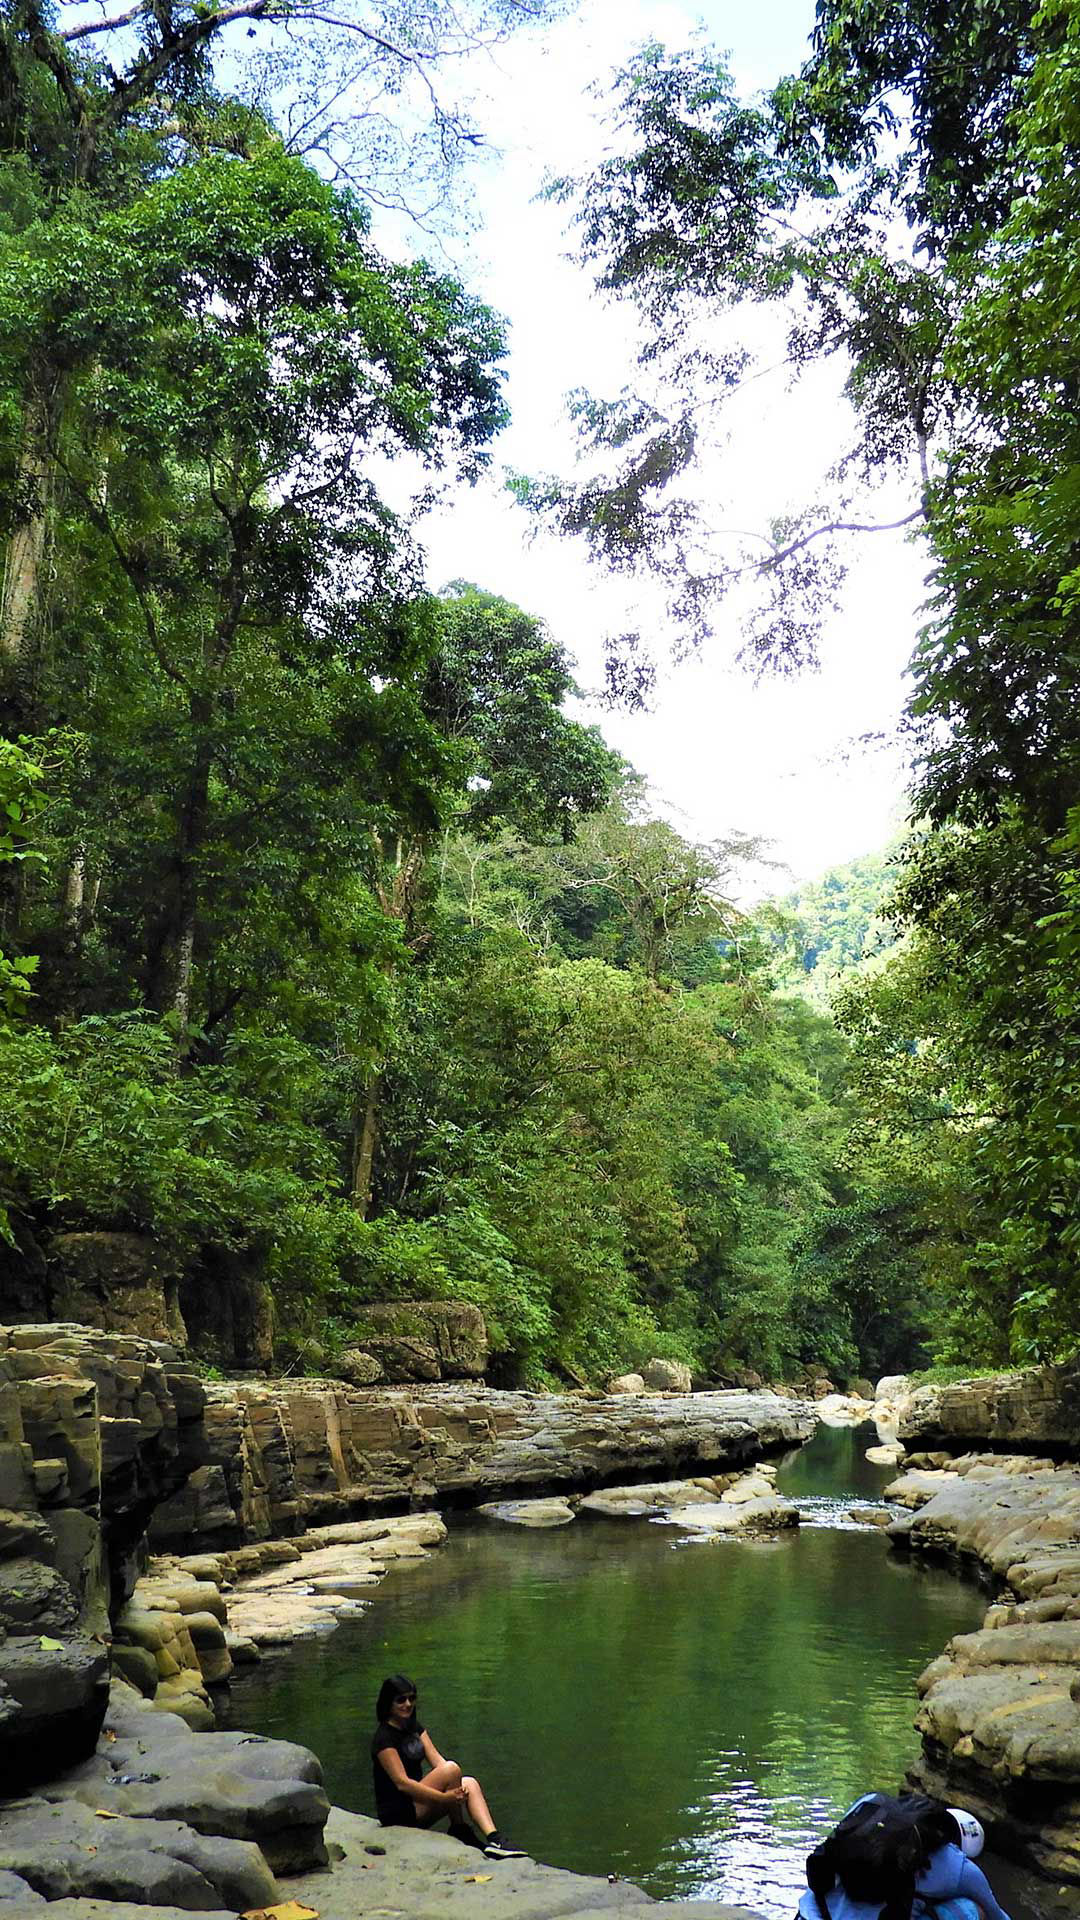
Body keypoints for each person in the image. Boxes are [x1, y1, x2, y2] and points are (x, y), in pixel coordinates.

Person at [370, 1673, 525, 1861]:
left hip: (417, 1805)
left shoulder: (414, 1728)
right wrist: (445, 1798)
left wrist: (457, 1791)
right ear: (388, 1703)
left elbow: (438, 1762)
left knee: (469, 1782)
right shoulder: (384, 1737)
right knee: (451, 1770)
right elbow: (402, 1783)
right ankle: (459, 1828)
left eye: (412, 1698)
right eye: (401, 1700)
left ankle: (495, 1840)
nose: (408, 1704)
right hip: (398, 1813)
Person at [799, 1794, 1012, 1920]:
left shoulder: (870, 1807)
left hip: (810, 1912)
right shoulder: (960, 1867)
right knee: (974, 1909)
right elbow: (998, 1916)